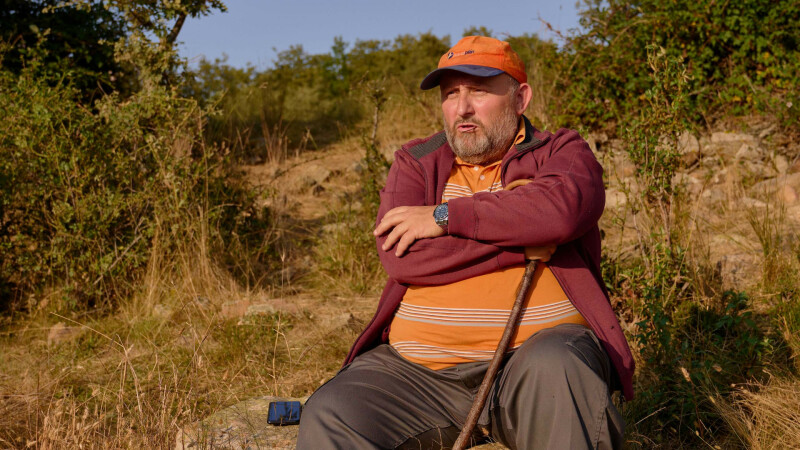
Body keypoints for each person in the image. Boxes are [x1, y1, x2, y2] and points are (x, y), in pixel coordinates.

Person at [297, 36, 634, 450]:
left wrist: (444, 217)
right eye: (450, 94)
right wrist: (522, 235)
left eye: (478, 91)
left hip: (533, 366)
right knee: (331, 411)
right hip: (417, 377)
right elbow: (403, 258)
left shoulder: (561, 151)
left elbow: (560, 212)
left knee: (559, 367)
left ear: (520, 98)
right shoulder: (416, 161)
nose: (462, 108)